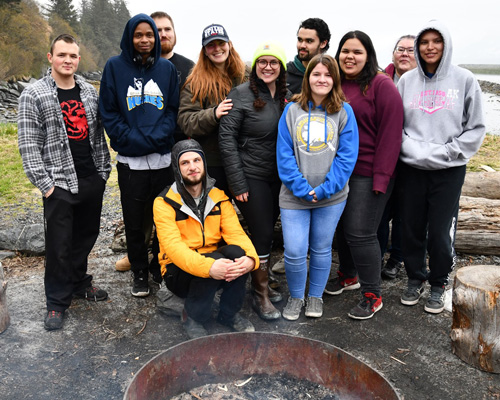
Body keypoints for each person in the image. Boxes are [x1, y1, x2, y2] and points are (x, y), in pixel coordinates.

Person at [17, 34, 111, 331]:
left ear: (78, 60)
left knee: (86, 236)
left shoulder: (88, 91)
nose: (67, 60)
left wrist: (103, 173)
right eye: (62, 55)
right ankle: (57, 302)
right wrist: (45, 184)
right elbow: (28, 145)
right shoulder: (34, 94)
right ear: (50, 57)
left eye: (72, 56)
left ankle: (79, 282)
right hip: (57, 183)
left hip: (90, 178)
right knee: (59, 245)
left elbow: (97, 136)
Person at [398, 20, 485, 314]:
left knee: (438, 231)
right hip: (411, 168)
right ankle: (415, 278)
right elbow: (397, 127)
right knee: (410, 227)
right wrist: (412, 150)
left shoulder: (465, 80)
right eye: (424, 42)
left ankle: (438, 282)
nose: (430, 47)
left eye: (437, 41)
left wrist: (448, 152)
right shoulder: (407, 81)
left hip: (449, 169)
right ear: (418, 47)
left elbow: (475, 128)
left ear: (446, 45)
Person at [324, 31, 404, 320]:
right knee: (343, 230)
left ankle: (372, 294)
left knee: (361, 232)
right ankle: (348, 275)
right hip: (337, 172)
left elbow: (391, 135)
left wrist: (381, 178)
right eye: (345, 51)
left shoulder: (381, 85)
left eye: (357, 52)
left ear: (368, 55)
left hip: (369, 172)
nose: (349, 56)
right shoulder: (335, 85)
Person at [99, 14, 179, 297]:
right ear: (129, 37)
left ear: (156, 39)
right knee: (134, 221)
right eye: (139, 35)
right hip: (130, 162)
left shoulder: (167, 69)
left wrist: (154, 138)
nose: (144, 40)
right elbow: (109, 111)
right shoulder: (114, 67)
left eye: (149, 35)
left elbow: (171, 110)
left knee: (163, 219)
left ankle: (161, 268)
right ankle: (139, 273)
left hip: (161, 161)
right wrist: (135, 139)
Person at [277, 54, 359, 320]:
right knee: (295, 249)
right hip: (294, 195)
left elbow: (347, 158)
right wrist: (301, 187)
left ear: (334, 79)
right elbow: (284, 154)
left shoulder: (344, 112)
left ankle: (315, 296)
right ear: (308, 77)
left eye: (327, 74)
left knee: (322, 248)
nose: (322, 79)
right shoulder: (291, 110)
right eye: (316, 74)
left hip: (331, 197)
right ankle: (296, 296)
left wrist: (324, 189)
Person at [153, 139, 258, 339]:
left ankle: (228, 315)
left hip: (214, 262)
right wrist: (209, 267)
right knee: (212, 261)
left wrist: (251, 260)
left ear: (204, 164)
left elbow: (236, 233)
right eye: (185, 163)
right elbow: (174, 249)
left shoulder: (219, 197)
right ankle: (193, 317)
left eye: (196, 160)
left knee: (238, 254)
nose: (192, 167)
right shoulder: (164, 202)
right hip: (178, 271)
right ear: (177, 167)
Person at [219, 41, 290, 321]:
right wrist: (238, 183)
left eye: (274, 62)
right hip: (250, 176)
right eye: (263, 61)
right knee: (261, 233)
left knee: (268, 232)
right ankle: (259, 294)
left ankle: (260, 281)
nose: (268, 67)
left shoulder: (286, 96)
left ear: (281, 67)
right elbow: (226, 140)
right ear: (255, 65)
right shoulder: (241, 94)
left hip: (278, 177)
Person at [177, 23, 248, 197]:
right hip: (212, 163)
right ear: (205, 50)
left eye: (221, 43)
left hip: (245, 159)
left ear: (229, 44)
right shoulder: (194, 82)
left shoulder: (247, 75)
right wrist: (214, 114)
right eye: (211, 45)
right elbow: (185, 120)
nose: (217, 49)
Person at [378, 34, 417, 280]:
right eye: (400, 49)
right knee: (380, 211)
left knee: (406, 212)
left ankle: (396, 258)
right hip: (383, 155)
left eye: (410, 50)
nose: (404, 53)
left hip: (412, 159)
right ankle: (376, 255)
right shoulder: (381, 79)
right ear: (393, 53)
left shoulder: (422, 83)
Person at [286, 18, 331, 94]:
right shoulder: (283, 75)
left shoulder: (334, 75)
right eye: (300, 40)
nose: (302, 45)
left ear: (323, 43)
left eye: (309, 41)